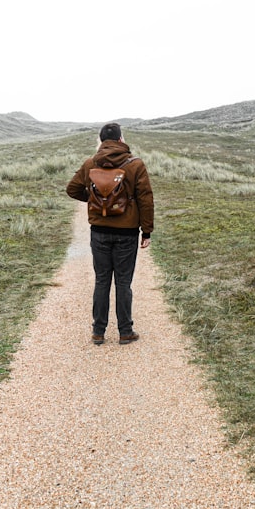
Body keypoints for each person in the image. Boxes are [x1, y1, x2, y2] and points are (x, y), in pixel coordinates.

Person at [66, 123, 154, 345]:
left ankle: (98, 332)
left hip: (99, 232)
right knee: (123, 282)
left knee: (102, 281)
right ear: (121, 139)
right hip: (127, 233)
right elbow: (145, 199)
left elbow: (72, 189)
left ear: (101, 140)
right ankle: (125, 331)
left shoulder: (90, 164)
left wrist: (95, 202)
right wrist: (147, 231)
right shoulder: (135, 165)